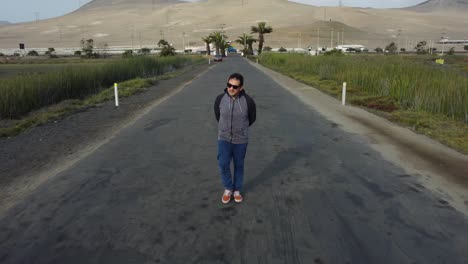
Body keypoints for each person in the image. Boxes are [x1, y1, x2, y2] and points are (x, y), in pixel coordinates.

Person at [214, 73, 256, 204]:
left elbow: (252, 118)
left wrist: (241, 129)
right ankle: (228, 188)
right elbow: (217, 115)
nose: (231, 88)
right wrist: (225, 128)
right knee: (223, 163)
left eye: (235, 86)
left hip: (241, 140)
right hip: (224, 137)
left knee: (239, 165)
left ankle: (236, 190)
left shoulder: (248, 101)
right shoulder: (220, 98)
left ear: (241, 88)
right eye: (229, 85)